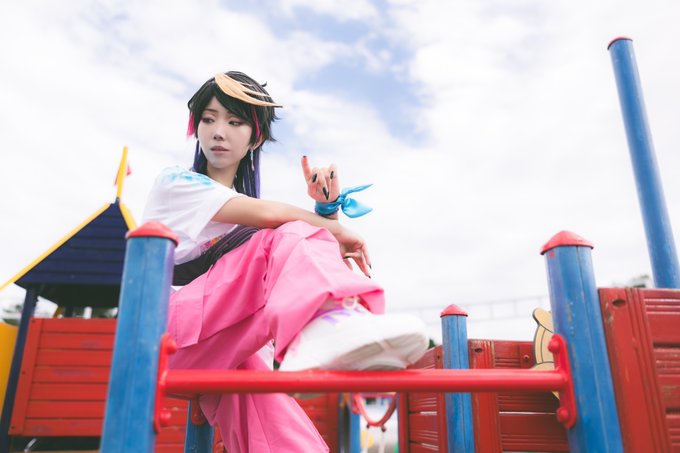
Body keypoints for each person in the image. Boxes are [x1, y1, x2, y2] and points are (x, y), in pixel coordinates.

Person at [142, 71, 428, 452]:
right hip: (165, 340)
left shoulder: (250, 226)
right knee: (286, 235)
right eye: (208, 119)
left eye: (234, 122)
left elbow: (298, 245)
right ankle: (327, 322)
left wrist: (327, 212)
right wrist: (331, 227)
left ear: (255, 137)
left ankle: (333, 325)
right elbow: (273, 217)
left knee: (286, 439)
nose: (218, 132)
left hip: (227, 350)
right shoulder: (176, 183)